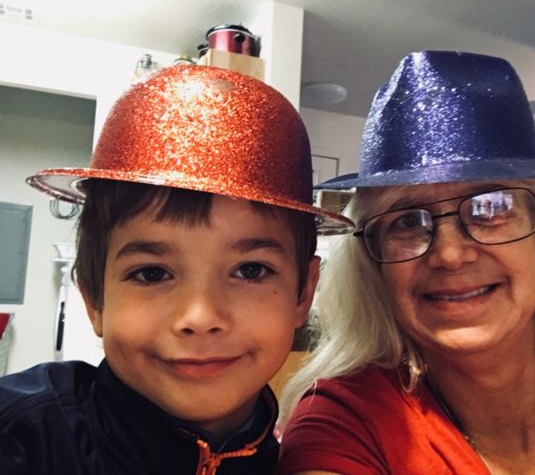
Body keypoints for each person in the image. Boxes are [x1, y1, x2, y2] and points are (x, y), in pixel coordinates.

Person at [277, 51, 535, 474]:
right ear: (375, 265)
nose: (450, 255)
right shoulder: (345, 421)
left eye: (491, 208)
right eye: (406, 221)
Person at [0, 65, 352, 475]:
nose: (200, 317)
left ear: (303, 293)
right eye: (152, 273)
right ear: (94, 298)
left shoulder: (304, 460)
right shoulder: (21, 439)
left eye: (251, 270)